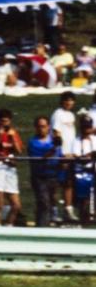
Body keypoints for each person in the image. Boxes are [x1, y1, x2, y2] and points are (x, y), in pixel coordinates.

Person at [0, 108, 24, 226]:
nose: (5, 124)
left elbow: (19, 151)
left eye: (7, 121)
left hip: (10, 167)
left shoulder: (13, 133)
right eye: (2, 121)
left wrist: (13, 137)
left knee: (16, 204)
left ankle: (9, 224)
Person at [50, 91, 80, 222]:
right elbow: (56, 134)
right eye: (66, 100)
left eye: (71, 100)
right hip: (61, 155)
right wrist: (61, 154)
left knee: (69, 183)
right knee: (56, 184)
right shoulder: (58, 114)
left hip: (71, 154)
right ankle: (54, 212)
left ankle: (68, 210)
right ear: (62, 101)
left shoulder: (71, 115)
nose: (69, 102)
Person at [27, 116, 62, 227]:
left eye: (44, 126)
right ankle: (42, 227)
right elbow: (43, 157)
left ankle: (46, 223)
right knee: (44, 202)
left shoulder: (54, 141)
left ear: (48, 127)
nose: (41, 129)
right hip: (39, 177)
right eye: (39, 127)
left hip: (53, 175)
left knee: (51, 202)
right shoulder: (33, 143)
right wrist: (54, 147)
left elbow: (60, 156)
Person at [67, 114, 96, 224]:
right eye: (84, 127)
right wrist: (90, 155)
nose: (87, 129)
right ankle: (84, 216)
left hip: (94, 169)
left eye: (88, 127)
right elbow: (77, 156)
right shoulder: (77, 141)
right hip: (83, 171)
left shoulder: (94, 139)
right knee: (84, 198)